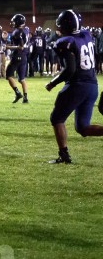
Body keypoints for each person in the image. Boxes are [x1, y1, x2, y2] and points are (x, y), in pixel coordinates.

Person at [45, 10, 103, 164]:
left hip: (77, 85)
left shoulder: (66, 41)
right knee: (82, 128)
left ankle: (64, 155)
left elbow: (69, 70)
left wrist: (52, 83)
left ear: (65, 26)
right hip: (92, 86)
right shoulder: (86, 35)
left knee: (56, 118)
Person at [6, 13, 30, 103]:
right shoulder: (26, 30)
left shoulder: (17, 32)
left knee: (8, 75)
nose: (12, 23)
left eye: (14, 21)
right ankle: (25, 98)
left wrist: (8, 47)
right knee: (22, 79)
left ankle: (17, 93)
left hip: (17, 55)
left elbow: (20, 46)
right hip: (24, 56)